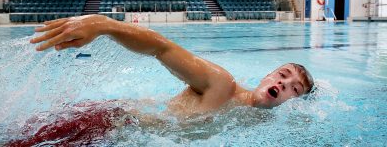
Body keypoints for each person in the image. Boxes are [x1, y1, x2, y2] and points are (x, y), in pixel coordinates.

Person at [16, 14, 314, 146]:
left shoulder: (263, 122)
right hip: (107, 123)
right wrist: (103, 24)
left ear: (294, 101)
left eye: (294, 89)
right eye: (282, 75)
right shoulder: (222, 85)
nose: (285, 85)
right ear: (267, 76)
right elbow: (163, 47)